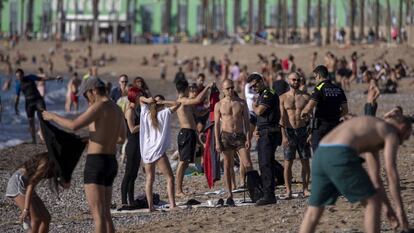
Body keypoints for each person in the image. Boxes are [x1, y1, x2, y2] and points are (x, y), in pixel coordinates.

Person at [299, 114, 412, 233]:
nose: (403, 141)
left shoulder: (372, 131)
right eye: (407, 136)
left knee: (314, 210)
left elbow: (375, 179)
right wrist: (400, 211)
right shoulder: (390, 132)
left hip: (320, 153)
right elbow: (391, 173)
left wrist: (388, 208)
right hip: (339, 152)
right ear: (403, 127)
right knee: (372, 203)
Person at [42, 77, 126, 233]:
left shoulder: (99, 106)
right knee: (106, 213)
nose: (86, 99)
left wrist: (52, 116)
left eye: (86, 95)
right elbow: (122, 138)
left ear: (93, 91)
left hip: (96, 163)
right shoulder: (116, 108)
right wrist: (99, 137)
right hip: (110, 162)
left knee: (98, 215)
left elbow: (74, 125)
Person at [214, 79, 253, 206]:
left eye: (232, 87)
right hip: (226, 136)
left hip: (240, 136)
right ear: (223, 90)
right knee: (227, 165)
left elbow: (246, 122)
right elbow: (216, 125)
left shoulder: (241, 103)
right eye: (228, 88)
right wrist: (217, 142)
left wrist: (248, 138)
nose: (230, 90)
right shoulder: (219, 105)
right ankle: (229, 193)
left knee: (247, 163)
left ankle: (253, 189)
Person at [139, 94, 180, 211]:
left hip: (147, 150)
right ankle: (172, 205)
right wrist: (164, 101)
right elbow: (178, 104)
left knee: (149, 178)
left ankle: (150, 206)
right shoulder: (164, 113)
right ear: (160, 105)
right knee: (170, 178)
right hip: (157, 150)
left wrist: (148, 100)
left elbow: (140, 99)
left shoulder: (145, 113)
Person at [247, 72, 281, 206]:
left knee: (266, 163)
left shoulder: (267, 93)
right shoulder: (262, 94)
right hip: (264, 132)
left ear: (261, 81)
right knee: (266, 163)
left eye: (255, 85)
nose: (254, 88)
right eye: (252, 87)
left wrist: (254, 105)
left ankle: (269, 194)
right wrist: (256, 129)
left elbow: (259, 111)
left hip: (269, 133)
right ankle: (269, 192)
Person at [5, 152, 61, 233]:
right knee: (35, 219)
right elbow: (30, 186)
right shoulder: (45, 163)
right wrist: (26, 210)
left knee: (46, 217)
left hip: (26, 184)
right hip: (17, 183)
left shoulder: (55, 163)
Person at [175, 79, 213, 197]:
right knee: (182, 162)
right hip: (185, 133)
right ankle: (178, 190)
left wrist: (209, 108)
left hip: (191, 133)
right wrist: (207, 87)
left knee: (186, 163)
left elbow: (198, 113)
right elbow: (198, 100)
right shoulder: (182, 100)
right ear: (185, 89)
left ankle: (179, 189)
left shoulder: (187, 102)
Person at [279, 72, 311, 198]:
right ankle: (288, 190)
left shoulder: (306, 97)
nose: (296, 82)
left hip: (303, 131)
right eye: (293, 80)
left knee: (305, 161)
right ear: (289, 80)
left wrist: (310, 133)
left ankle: (305, 189)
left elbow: (312, 116)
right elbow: (281, 118)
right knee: (288, 162)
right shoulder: (283, 98)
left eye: (298, 80)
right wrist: (283, 135)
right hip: (289, 131)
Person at [301, 65, 348, 151]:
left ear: (318, 76)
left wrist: (303, 112)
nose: (315, 79)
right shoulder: (338, 89)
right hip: (335, 125)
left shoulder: (319, 88)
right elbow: (345, 110)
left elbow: (309, 107)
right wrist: (335, 116)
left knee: (318, 153)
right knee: (332, 152)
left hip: (321, 127)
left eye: (315, 77)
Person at [14, 68, 61, 144]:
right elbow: (17, 97)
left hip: (38, 100)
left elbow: (43, 79)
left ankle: (44, 137)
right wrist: (15, 107)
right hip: (29, 103)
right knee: (31, 122)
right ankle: (34, 141)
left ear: (23, 74)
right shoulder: (18, 84)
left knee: (43, 118)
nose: (19, 78)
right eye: (17, 76)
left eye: (20, 76)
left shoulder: (30, 77)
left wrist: (55, 78)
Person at [118, 87, 142, 211]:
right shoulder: (130, 111)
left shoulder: (138, 110)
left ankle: (131, 200)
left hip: (138, 144)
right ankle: (123, 201)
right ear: (134, 96)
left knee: (134, 174)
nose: (141, 97)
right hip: (132, 144)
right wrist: (144, 123)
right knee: (128, 173)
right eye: (139, 95)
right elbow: (132, 129)